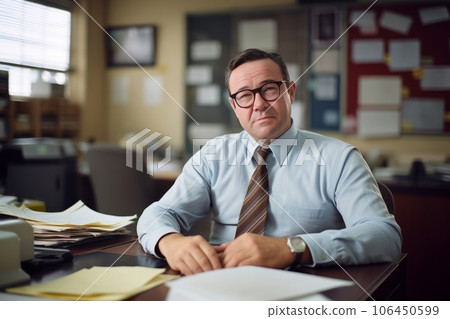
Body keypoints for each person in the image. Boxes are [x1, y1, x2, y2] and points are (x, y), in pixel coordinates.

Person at [137, 48, 402, 275]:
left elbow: (384, 236)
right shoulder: (212, 155)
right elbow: (158, 214)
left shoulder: (339, 158)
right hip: (219, 287)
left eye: (269, 89)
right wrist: (170, 242)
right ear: (234, 106)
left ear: (290, 92)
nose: (259, 104)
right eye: (244, 95)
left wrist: (291, 248)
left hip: (303, 290)